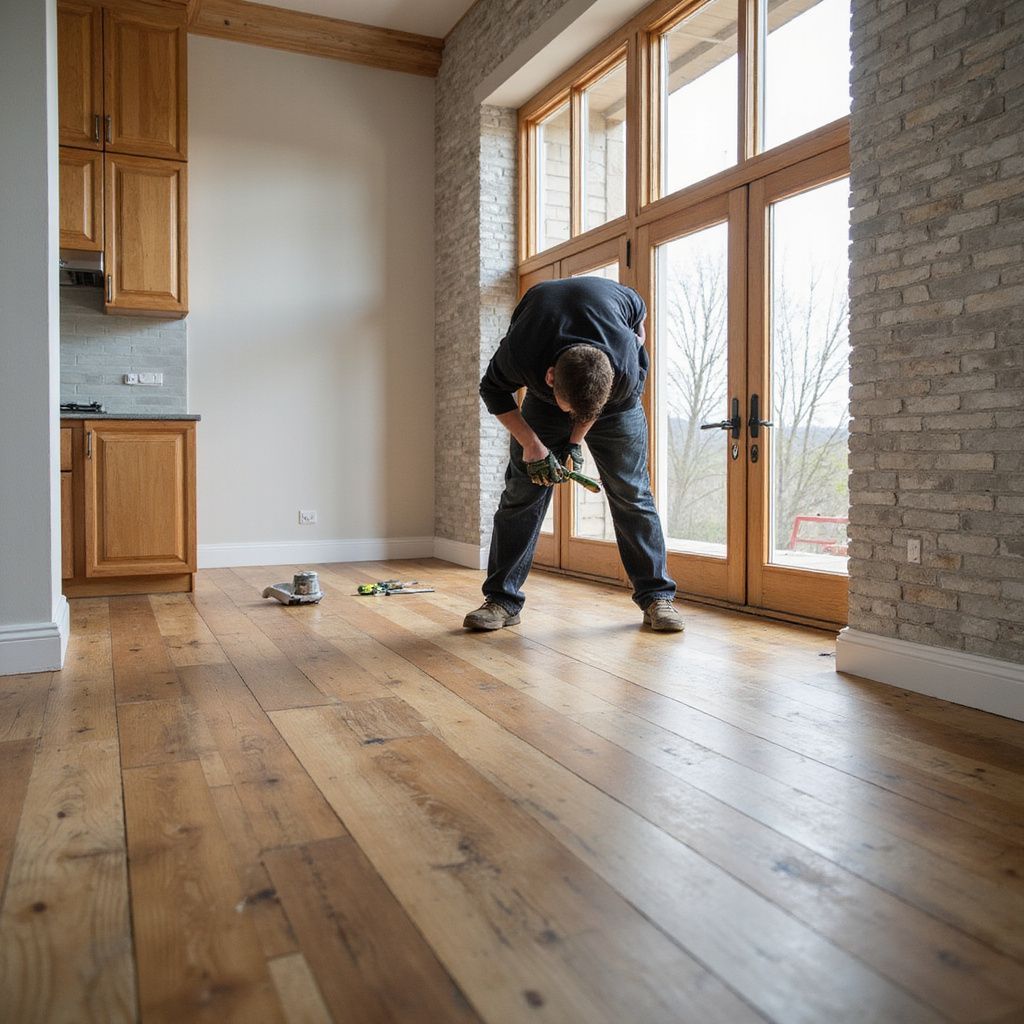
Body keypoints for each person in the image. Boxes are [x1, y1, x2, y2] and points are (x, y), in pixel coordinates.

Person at [463, 276, 683, 633]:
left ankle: (657, 597)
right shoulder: (523, 352)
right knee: (522, 492)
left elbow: (637, 308)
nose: (572, 421)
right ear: (549, 377)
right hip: (549, 380)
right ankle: (501, 600)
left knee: (632, 492)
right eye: (570, 412)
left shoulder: (626, 367)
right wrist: (532, 445)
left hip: (610, 404)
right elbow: (493, 391)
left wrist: (574, 442)